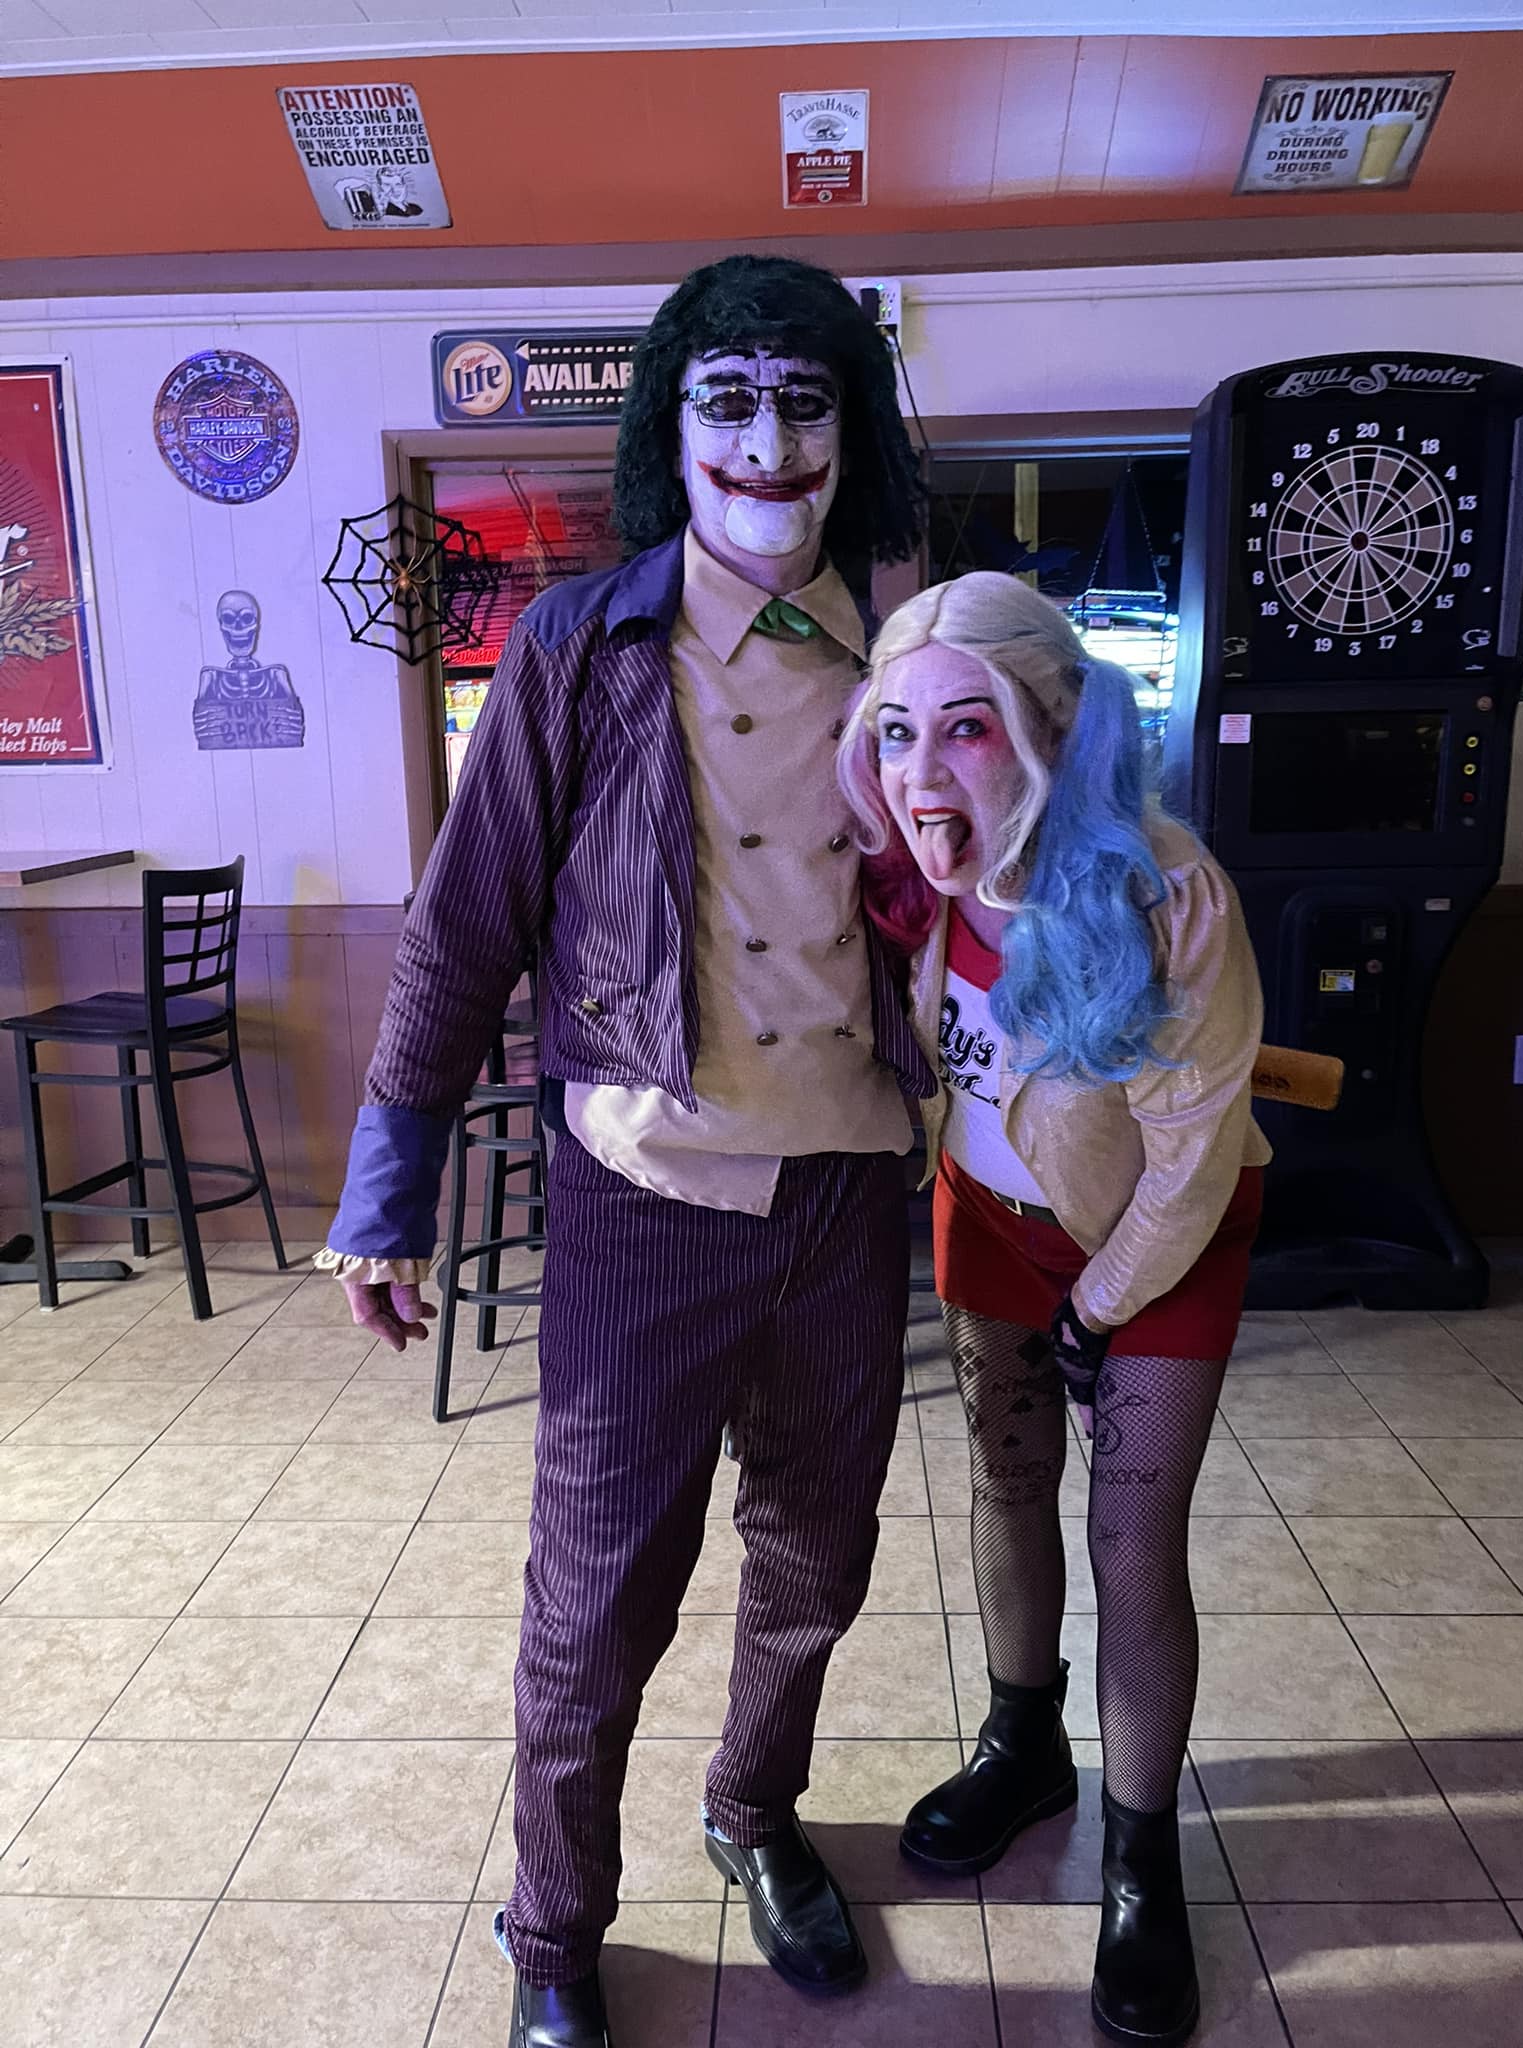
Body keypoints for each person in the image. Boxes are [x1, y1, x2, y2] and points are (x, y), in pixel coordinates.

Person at [316, 254, 931, 2048]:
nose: (769, 440)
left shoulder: (913, 656)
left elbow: (1007, 889)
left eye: (806, 400)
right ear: (675, 426)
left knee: (817, 1558)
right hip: (640, 1201)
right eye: (729, 400)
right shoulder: (578, 649)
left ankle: (753, 1811)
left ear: (853, 431)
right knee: (593, 1605)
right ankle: (555, 1932)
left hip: (849, 1196)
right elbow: (464, 927)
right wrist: (386, 1194)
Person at [836, 572, 1269, 2048]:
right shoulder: (920, 881)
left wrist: (1099, 1306)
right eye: (898, 731)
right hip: (989, 1225)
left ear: (1058, 726)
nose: (922, 771)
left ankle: (1143, 1860)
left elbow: (1194, 1157)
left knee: (1133, 1542)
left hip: (1161, 1238)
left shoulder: (1167, 890)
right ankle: (1024, 1746)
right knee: (1007, 1485)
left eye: (967, 728)